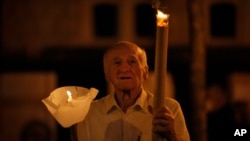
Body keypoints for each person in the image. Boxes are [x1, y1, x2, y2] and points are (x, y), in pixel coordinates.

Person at [75, 41, 190, 141]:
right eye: (117, 63)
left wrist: (172, 135)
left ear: (145, 72)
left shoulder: (168, 109)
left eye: (132, 61)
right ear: (107, 75)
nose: (124, 69)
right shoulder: (90, 113)